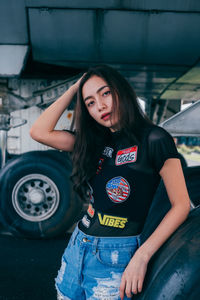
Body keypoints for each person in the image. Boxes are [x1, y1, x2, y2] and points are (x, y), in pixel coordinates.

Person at [30, 65, 191, 300]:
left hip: (117, 258)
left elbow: (181, 205)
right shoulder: (94, 141)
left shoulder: (155, 139)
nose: (100, 106)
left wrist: (141, 256)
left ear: (121, 91)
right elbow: (39, 131)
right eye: (90, 103)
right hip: (78, 247)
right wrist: (76, 88)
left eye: (105, 93)